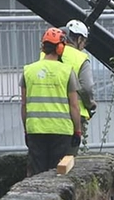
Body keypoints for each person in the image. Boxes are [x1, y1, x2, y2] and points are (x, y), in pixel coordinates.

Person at [21, 27, 83, 175]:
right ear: (60, 48)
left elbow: (24, 105)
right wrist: (78, 130)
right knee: (58, 174)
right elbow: (74, 106)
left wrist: (26, 129)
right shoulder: (67, 71)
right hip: (61, 130)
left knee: (36, 174)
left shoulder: (28, 70)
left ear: (43, 47)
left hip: (35, 129)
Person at [59, 19, 97, 147]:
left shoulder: (49, 54)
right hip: (73, 115)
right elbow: (86, 87)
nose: (84, 46)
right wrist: (90, 104)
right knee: (69, 158)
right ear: (79, 39)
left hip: (46, 115)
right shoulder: (81, 58)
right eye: (84, 42)